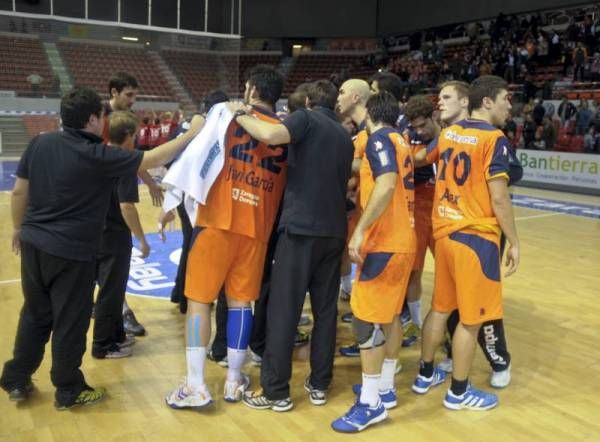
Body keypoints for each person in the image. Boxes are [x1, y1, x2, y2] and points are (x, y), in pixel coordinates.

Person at [0, 87, 203, 409]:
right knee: (71, 320)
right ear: (93, 119)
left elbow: (20, 192)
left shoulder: (40, 143)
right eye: (101, 117)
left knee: (35, 315)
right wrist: (193, 132)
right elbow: (153, 158)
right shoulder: (95, 154)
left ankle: (16, 377)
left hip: (34, 245)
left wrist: (17, 228)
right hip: (72, 251)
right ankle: (69, 388)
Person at [165, 65, 288, 410]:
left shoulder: (227, 117)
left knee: (199, 304)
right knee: (240, 305)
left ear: (250, 90)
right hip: (257, 231)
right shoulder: (286, 131)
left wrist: (173, 198)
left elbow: (194, 160)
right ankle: (234, 381)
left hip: (216, 223)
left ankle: (195, 384)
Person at [237, 80, 353, 411]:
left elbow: (271, 136)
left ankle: (275, 392)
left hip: (301, 228)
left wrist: (240, 115)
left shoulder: (306, 118)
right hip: (333, 232)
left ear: (306, 101)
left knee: (284, 310)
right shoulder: (345, 137)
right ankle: (319, 383)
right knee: (326, 311)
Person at [413, 75, 519, 411]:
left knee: (440, 309)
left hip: (443, 233)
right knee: (472, 320)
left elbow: (418, 159)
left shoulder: (448, 134)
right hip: (476, 237)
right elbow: (499, 197)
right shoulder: (495, 138)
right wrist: (514, 241)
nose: (510, 106)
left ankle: (424, 375)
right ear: (487, 102)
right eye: (506, 99)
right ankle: (459, 392)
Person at [331, 92, 416, 433]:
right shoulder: (399, 138)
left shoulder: (379, 138)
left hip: (385, 243)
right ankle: (384, 388)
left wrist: (361, 230)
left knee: (365, 322)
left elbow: (386, 182)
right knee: (391, 317)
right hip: (402, 241)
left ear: (368, 112)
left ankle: (371, 403)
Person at [102, 72, 162, 337]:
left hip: (112, 196)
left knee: (108, 262)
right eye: (129, 95)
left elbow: (133, 157)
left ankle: (114, 308)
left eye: (135, 95)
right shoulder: (99, 118)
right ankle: (119, 313)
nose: (133, 100)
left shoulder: (127, 122)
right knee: (112, 261)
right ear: (113, 93)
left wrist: (148, 181)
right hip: (101, 197)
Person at [92, 111, 150, 360]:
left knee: (112, 288)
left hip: (97, 230)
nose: (136, 139)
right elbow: (127, 206)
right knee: (110, 292)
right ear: (127, 136)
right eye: (135, 135)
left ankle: (116, 337)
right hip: (114, 234)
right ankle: (103, 345)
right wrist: (142, 239)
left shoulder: (99, 154)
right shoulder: (124, 161)